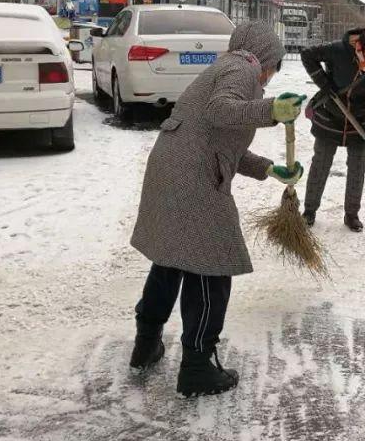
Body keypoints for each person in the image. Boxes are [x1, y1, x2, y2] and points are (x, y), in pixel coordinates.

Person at [128, 21, 306, 397]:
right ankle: (197, 365)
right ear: (265, 58)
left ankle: (146, 343)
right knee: (211, 266)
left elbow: (224, 139)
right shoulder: (242, 67)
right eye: (273, 68)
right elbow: (220, 112)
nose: (270, 77)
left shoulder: (225, 66)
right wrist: (271, 109)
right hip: (195, 177)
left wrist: (268, 169)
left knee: (171, 258)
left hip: (173, 168)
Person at [301, 26, 365, 232]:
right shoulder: (339, 50)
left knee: (357, 167)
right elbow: (307, 55)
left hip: (359, 121)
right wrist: (324, 83)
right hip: (330, 116)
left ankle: (352, 214)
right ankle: (309, 210)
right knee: (321, 163)